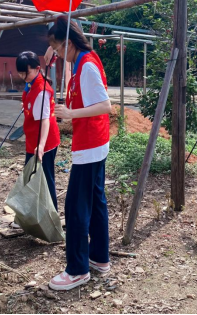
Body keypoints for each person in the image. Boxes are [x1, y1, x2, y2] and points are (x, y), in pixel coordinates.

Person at [47, 17, 112, 292]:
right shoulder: (84, 61)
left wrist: (72, 113)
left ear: (69, 43)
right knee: (96, 201)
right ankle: (99, 257)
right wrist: (69, 110)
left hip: (89, 146)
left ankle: (77, 269)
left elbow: (105, 105)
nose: (58, 55)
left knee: (75, 207)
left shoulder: (86, 65)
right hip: (95, 143)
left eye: (59, 49)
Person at [16, 51, 61, 210]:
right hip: (33, 139)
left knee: (46, 179)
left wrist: (41, 146)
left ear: (37, 68)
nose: (23, 77)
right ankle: (30, 214)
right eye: (20, 73)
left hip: (44, 142)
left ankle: (51, 217)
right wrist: (26, 105)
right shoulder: (31, 84)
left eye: (25, 73)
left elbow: (45, 121)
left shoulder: (41, 91)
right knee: (30, 176)